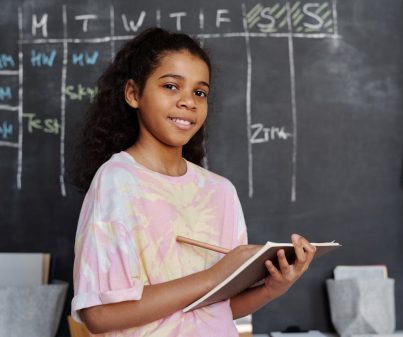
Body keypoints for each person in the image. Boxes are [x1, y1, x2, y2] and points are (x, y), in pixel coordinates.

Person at [71, 27, 316, 337]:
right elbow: (99, 315)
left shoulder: (220, 191)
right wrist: (215, 275)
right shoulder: (116, 182)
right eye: (171, 86)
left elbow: (218, 308)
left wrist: (271, 288)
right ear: (134, 94)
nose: (188, 102)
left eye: (199, 92)